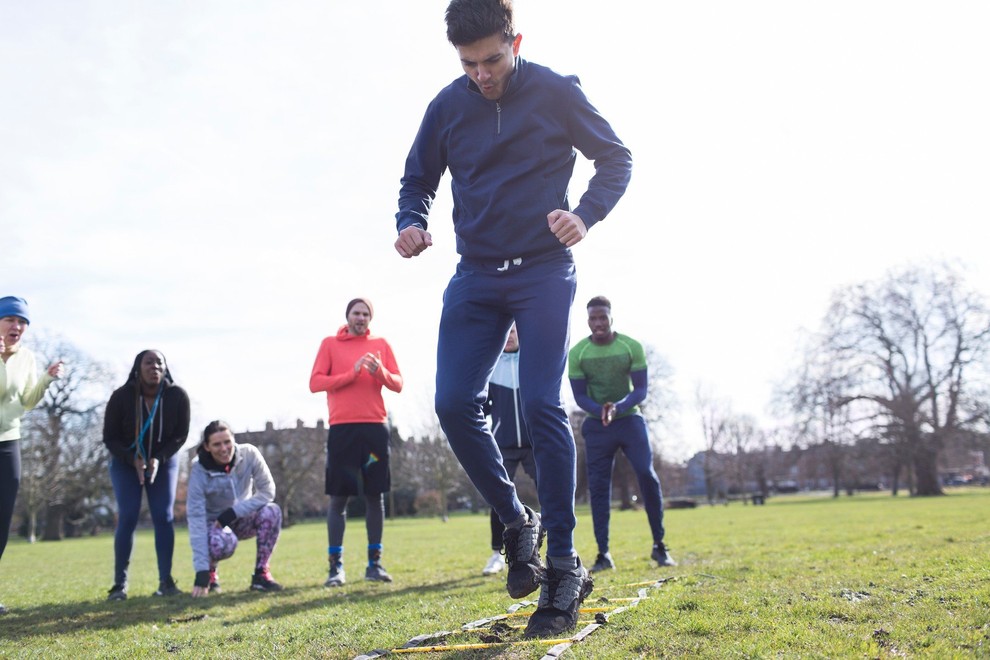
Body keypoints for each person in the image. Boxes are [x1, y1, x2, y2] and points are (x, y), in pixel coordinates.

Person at [392, 0, 631, 638]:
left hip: (544, 271)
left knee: (542, 404)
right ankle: (516, 521)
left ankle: (563, 560)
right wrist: (410, 221)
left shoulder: (555, 92)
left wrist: (585, 213)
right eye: (468, 64)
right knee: (451, 402)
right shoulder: (447, 105)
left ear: (515, 40)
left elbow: (616, 158)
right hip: (476, 275)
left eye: (492, 59)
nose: (482, 75)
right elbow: (416, 181)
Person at [568, 296, 676, 573]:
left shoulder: (630, 346)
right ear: (588, 320)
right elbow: (579, 396)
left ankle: (660, 547)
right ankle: (604, 554)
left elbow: (640, 389)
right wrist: (600, 410)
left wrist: (618, 407)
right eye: (593, 318)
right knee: (599, 488)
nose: (598, 322)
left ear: (611, 318)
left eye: (603, 317)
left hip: (629, 420)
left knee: (646, 474)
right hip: (597, 425)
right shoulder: (579, 352)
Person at [309, 298, 403, 587]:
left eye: (365, 314)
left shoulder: (382, 344)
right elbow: (315, 383)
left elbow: (397, 383)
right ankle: (335, 568)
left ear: (370, 318)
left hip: (375, 429)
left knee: (375, 496)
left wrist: (380, 373)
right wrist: (353, 373)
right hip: (343, 431)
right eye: (356, 313)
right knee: (339, 498)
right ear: (347, 316)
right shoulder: (329, 344)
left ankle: (374, 564)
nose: (361, 318)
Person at [103, 349, 190, 600]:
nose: (154, 366)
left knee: (163, 516)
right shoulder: (121, 397)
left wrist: (157, 458)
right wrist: (133, 459)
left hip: (163, 461)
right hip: (125, 462)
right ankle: (119, 585)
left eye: (159, 362)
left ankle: (166, 581)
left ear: (165, 368)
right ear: (138, 368)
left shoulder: (177, 396)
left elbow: (180, 435)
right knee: (128, 515)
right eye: (148, 362)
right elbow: (110, 438)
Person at [0, 296, 63, 616]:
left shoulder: (26, 357)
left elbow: (25, 401)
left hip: (9, 441)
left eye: (22, 322)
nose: (17, 326)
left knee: (2, 520)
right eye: (10, 319)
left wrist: (47, 379)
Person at [187, 420, 283, 596]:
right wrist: (201, 571)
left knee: (272, 511)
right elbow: (196, 517)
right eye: (217, 444)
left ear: (233, 440)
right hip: (214, 526)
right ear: (207, 447)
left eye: (227, 442)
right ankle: (210, 572)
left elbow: (267, 492)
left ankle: (261, 575)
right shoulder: (198, 469)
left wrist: (232, 513)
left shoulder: (249, 454)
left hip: (242, 518)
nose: (224, 449)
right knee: (221, 543)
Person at [481, 323, 538, 576]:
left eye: (513, 332)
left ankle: (559, 548)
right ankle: (496, 553)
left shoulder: (531, 361)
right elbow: (481, 407)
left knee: (550, 492)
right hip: (502, 443)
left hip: (534, 441)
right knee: (498, 499)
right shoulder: (490, 367)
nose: (509, 337)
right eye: (505, 333)